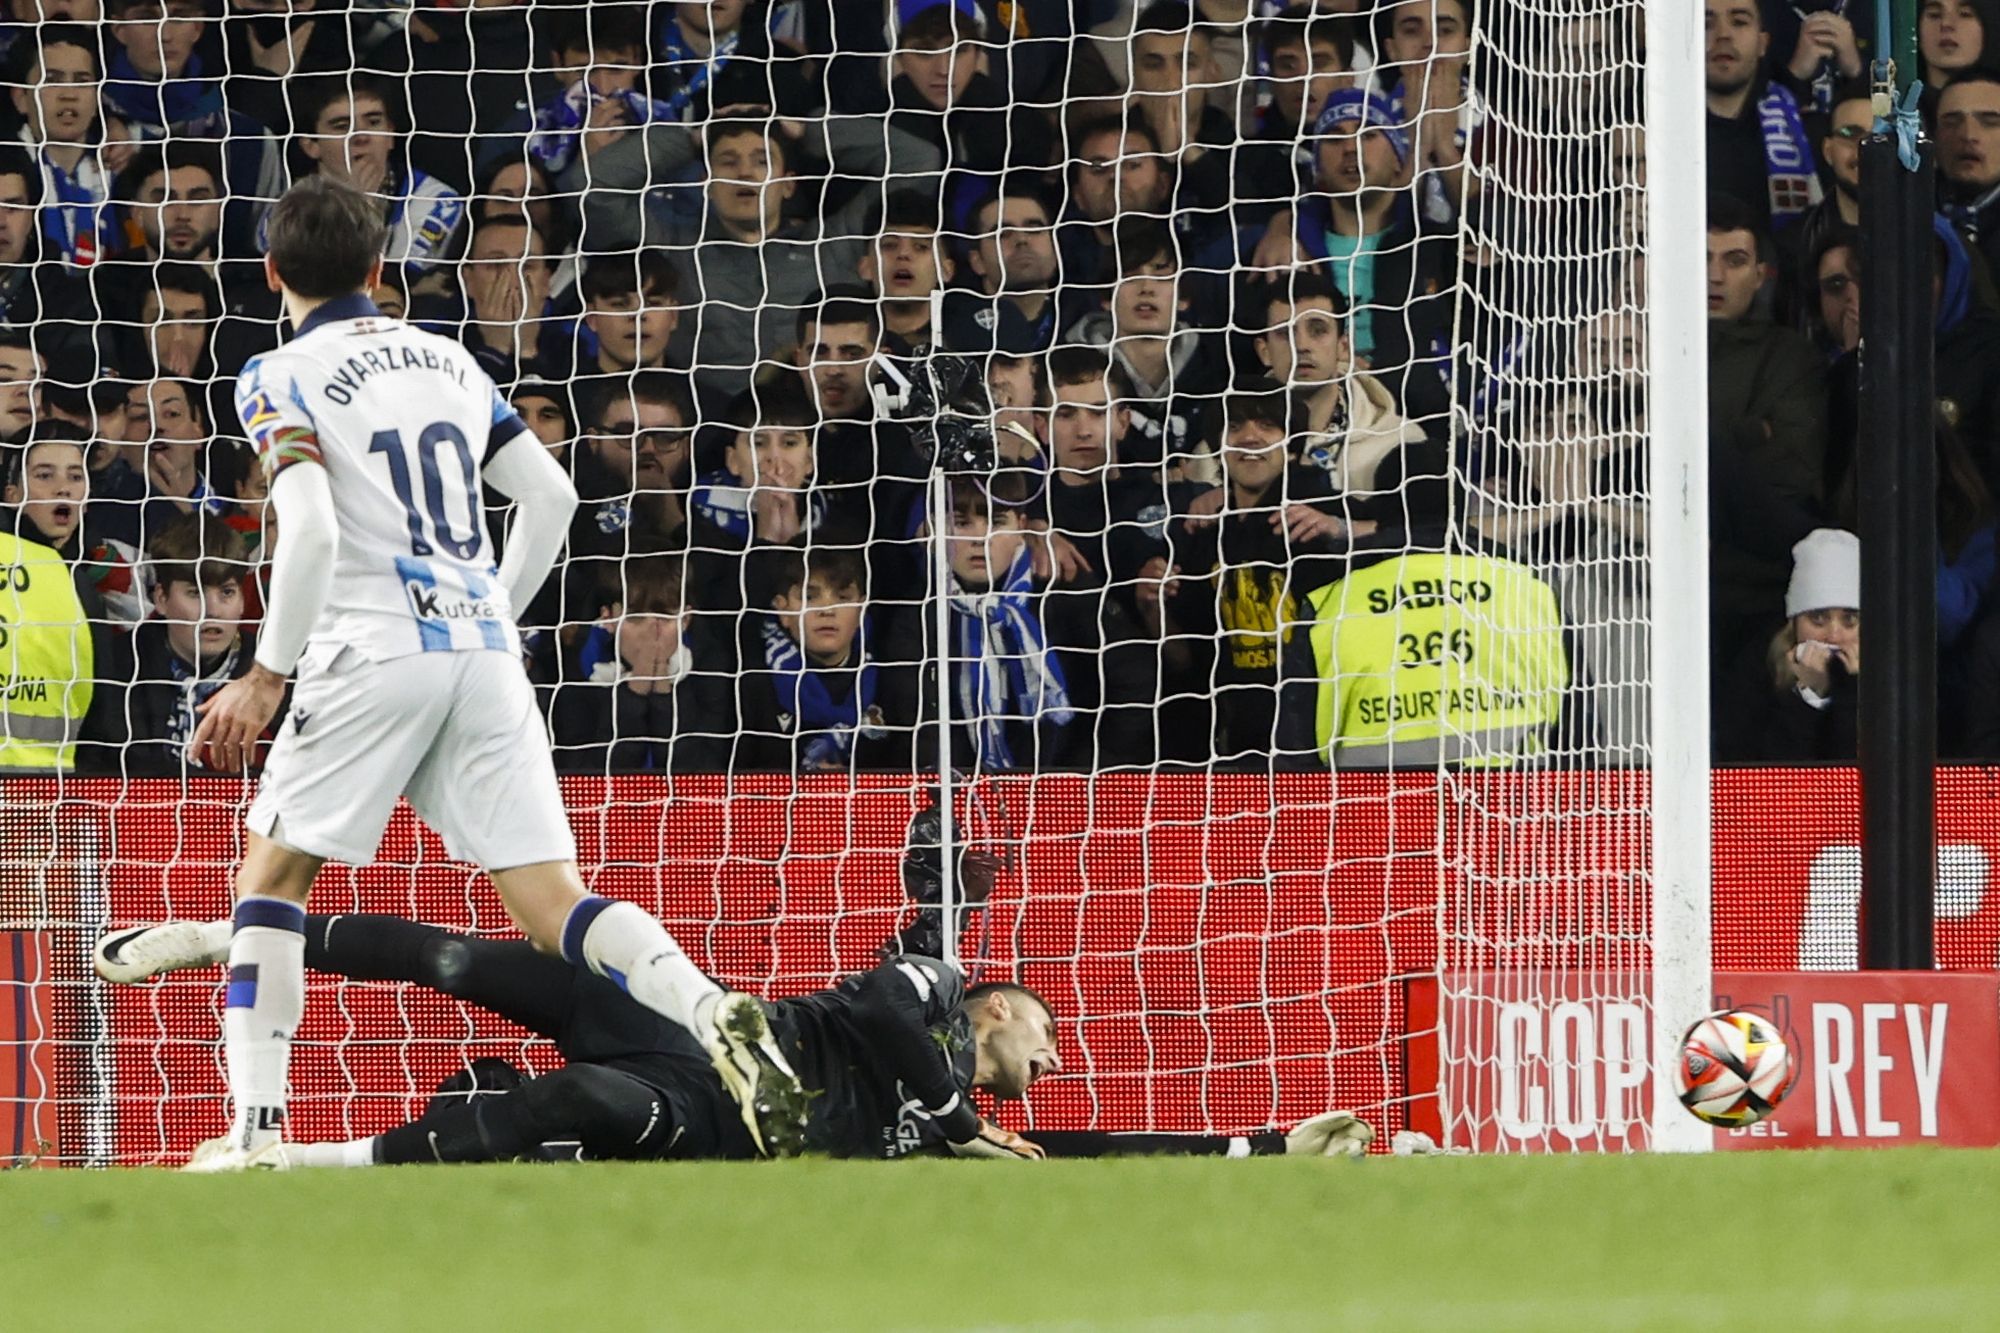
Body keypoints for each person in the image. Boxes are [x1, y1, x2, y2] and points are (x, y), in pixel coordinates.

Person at [179, 175, 808, 1170]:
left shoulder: (275, 373)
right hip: (477, 647)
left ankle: (256, 1129)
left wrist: (265, 674)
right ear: (378, 270)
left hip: (370, 645)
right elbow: (550, 499)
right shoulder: (447, 359)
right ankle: (707, 1005)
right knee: (550, 903)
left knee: (272, 876)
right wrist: (490, 615)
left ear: (270, 273)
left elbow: (307, 532)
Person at [92, 905, 1376, 1166]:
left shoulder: (969, 1124)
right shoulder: (932, 995)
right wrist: (951, 1120)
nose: (1051, 1061)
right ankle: (227, 935)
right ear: (994, 1006)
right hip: (686, 1025)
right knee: (467, 960)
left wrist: (1260, 1144)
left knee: (567, 1113)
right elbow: (871, 1001)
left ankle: (285, 1161)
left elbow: (1087, 1154)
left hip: (706, 1114)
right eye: (1042, 1032)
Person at [1706, 195, 1828, 692]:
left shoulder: (1791, 357)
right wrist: (1746, 432)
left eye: (1733, 261)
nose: (1714, 276)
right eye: (1702, 257)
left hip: (1755, 569)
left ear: (1761, 274)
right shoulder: (1634, 341)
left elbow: (1788, 481)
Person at [104, 513, 271, 774]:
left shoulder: (271, 672)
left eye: (227, 592)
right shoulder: (118, 667)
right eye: (195, 593)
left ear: (241, 601)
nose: (213, 610)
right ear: (161, 598)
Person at [733, 546, 903, 772]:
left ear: (861, 610)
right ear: (783, 611)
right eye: (810, 597)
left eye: (842, 597)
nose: (827, 610)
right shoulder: (752, 684)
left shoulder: (893, 677)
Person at [1715, 527, 1860, 762]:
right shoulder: (1757, 669)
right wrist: (1810, 697)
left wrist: (1853, 691)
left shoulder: (1895, 674)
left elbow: (1869, 770)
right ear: (1794, 622)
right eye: (1818, 618)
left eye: (1849, 620)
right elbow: (1765, 772)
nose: (1834, 636)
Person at [1704, 0, 1821, 233]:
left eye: (1739, 22)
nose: (1723, 35)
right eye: (1706, 24)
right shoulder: (1648, 127)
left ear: (1762, 43)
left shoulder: (1807, 132)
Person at [8, 24, 114, 267]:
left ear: (98, 99)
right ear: (21, 98)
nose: (69, 94)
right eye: (52, 80)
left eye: (81, 81)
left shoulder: (120, 176)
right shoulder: (6, 177)